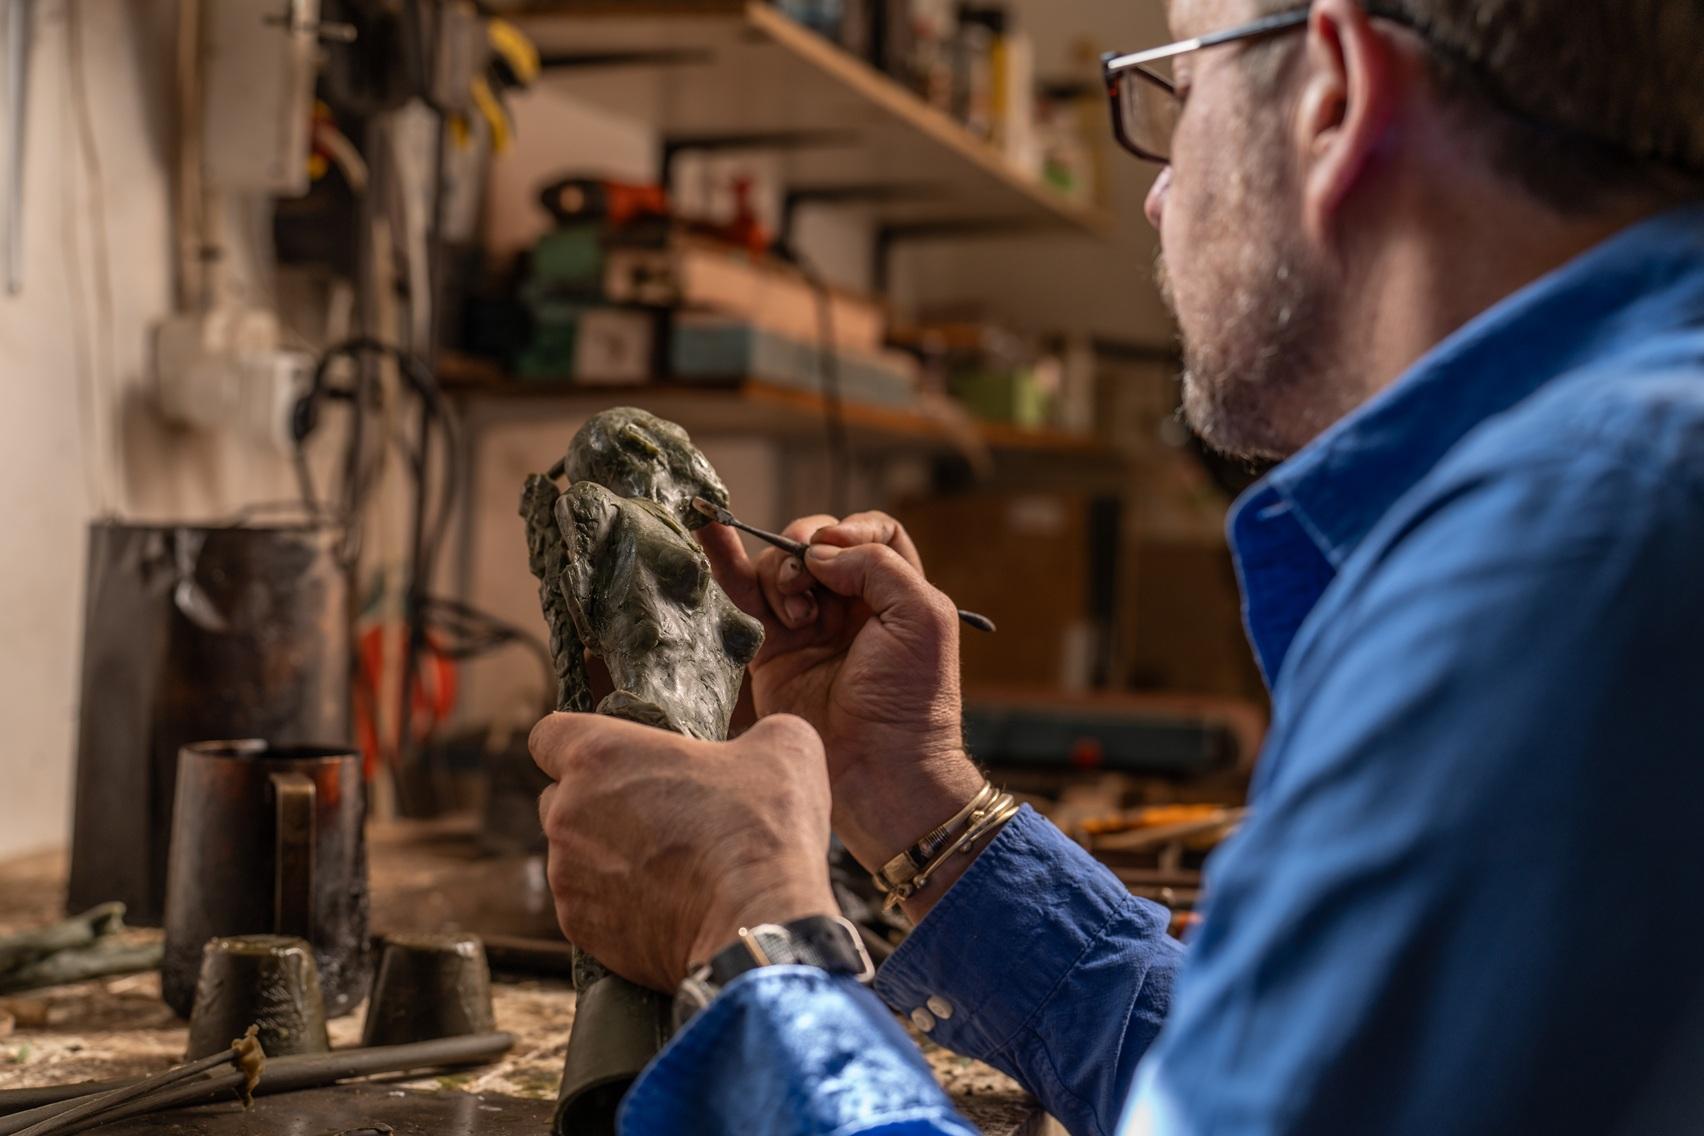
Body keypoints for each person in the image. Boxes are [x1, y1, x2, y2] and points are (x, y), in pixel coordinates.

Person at [528, 0, 1704, 1131]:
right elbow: (1288, 1090)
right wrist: (930, 808)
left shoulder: (1579, 550)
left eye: (1178, 96)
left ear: (1333, 98)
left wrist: (758, 931)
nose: (1156, 194)